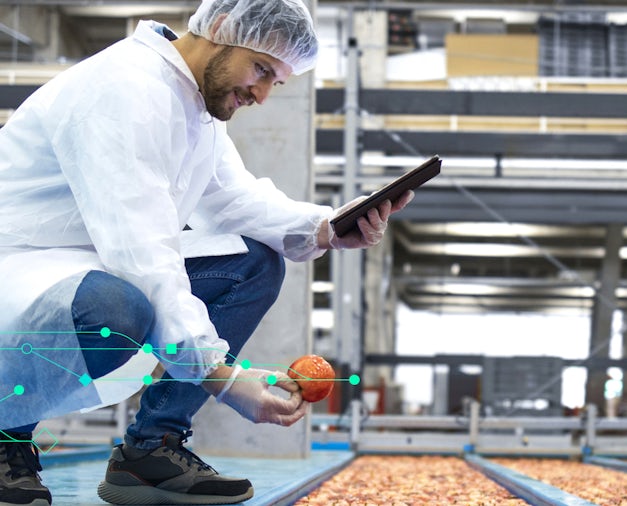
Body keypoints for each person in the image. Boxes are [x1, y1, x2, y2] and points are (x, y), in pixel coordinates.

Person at [0, 0, 412, 504]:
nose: (261, 94)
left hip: (88, 263)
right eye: (261, 69)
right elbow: (143, 250)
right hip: (21, 269)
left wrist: (325, 228)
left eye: (275, 81)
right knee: (114, 309)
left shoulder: (193, 104)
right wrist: (222, 376)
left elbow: (234, 197)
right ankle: (7, 432)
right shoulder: (125, 88)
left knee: (251, 264)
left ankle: (150, 449)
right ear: (219, 27)